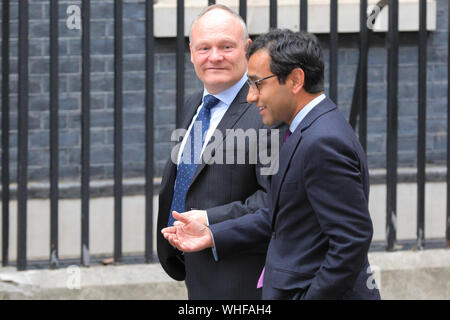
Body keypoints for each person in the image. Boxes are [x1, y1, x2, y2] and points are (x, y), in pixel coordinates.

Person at [162, 29, 381, 300]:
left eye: (258, 84)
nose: (252, 96)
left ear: (295, 80)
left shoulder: (323, 141)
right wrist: (212, 234)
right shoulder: (303, 131)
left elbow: (351, 242)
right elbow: (278, 218)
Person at [157, 5, 283, 300]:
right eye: (204, 48)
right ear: (191, 52)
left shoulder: (266, 111)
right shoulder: (195, 104)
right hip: (197, 273)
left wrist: (208, 220)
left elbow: (273, 202)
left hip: (243, 282)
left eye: (226, 46)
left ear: (247, 49)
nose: (214, 57)